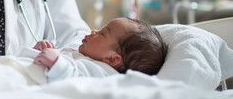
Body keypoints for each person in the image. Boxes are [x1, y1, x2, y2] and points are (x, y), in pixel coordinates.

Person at [33, 18, 168, 82]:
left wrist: (56, 63)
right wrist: (43, 49)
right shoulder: (86, 56)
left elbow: (78, 82)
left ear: (112, 59)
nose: (94, 31)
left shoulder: (103, 72)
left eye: (102, 33)